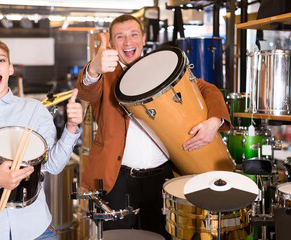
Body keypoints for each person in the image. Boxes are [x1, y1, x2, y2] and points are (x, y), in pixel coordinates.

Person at [76, 14, 232, 239]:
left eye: (133, 34)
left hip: (162, 179)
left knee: (161, 235)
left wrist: (214, 121)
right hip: (117, 179)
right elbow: (86, 90)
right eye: (120, 37)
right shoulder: (104, 72)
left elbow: (206, 88)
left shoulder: (161, 67)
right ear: (111, 43)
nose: (128, 42)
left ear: (143, 38)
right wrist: (93, 69)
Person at [0, 37, 83, 240]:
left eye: (1, 60)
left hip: (37, 228)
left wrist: (71, 128)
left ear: (10, 68)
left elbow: (52, 165)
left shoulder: (35, 109)